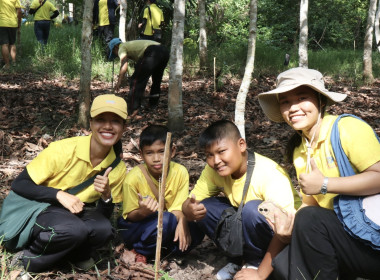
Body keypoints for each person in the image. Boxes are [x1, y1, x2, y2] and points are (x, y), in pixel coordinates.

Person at [254, 67, 380, 280]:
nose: (293, 107)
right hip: (344, 237)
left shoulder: (346, 128)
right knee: (283, 265)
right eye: (285, 102)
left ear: (321, 101)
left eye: (302, 98)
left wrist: (326, 184)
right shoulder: (300, 149)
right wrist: (287, 225)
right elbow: (311, 202)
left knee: (309, 220)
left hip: (372, 238)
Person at [9, 94, 128, 276]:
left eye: (116, 121)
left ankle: (73, 255)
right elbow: (20, 184)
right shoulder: (63, 149)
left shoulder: (117, 168)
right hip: (42, 208)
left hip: (70, 214)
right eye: (101, 120)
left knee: (103, 230)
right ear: (90, 123)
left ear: (123, 127)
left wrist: (106, 196)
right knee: (73, 230)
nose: (108, 126)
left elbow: (102, 216)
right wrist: (58, 194)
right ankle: (29, 260)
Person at [181, 120, 301, 280]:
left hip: (288, 235)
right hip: (247, 223)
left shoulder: (269, 173)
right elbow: (191, 201)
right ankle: (239, 259)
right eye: (210, 155)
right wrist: (187, 211)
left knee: (252, 210)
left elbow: (285, 230)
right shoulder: (214, 170)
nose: (216, 161)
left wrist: (260, 274)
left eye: (222, 151)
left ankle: (257, 264)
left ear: (241, 145)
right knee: (205, 207)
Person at [117, 125, 204, 263]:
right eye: (149, 153)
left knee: (197, 228)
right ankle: (140, 250)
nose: (156, 158)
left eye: (162, 151)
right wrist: (144, 211)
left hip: (166, 224)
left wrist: (183, 221)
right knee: (166, 220)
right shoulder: (133, 178)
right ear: (141, 154)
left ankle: (162, 251)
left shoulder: (180, 172)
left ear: (172, 151)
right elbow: (130, 216)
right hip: (138, 227)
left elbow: (178, 209)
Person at [108, 38, 169, 118]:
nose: (116, 55)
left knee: (135, 81)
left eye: (114, 52)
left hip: (152, 51)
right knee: (156, 79)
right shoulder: (131, 46)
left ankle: (133, 109)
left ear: (116, 47)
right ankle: (153, 104)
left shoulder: (121, 47)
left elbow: (124, 65)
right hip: (164, 51)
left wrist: (119, 81)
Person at [0, 0, 22, 70]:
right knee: (12, 43)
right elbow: (19, 11)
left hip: (2, 23)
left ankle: (7, 65)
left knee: (4, 44)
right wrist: (19, 23)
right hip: (13, 23)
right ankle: (14, 62)